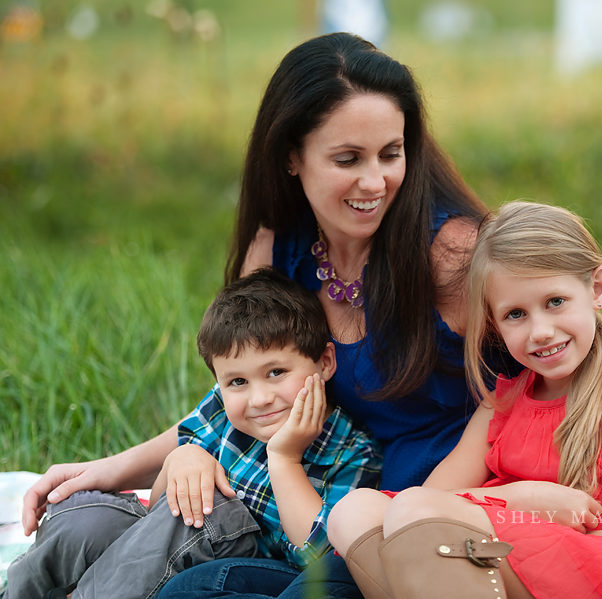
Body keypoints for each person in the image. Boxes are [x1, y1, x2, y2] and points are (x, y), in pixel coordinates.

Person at [22, 32, 489, 599]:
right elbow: (240, 396)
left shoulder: (450, 255)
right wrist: (122, 467)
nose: (376, 181)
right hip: (300, 505)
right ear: (292, 156)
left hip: (418, 509)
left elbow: (514, 399)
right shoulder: (276, 252)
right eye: (348, 158)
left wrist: (417, 518)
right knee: (114, 534)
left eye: (391, 154)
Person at [327, 201, 602, 599]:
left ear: (598, 288)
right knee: (355, 512)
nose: (541, 330)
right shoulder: (504, 403)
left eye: (555, 302)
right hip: (535, 565)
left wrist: (585, 544)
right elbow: (427, 500)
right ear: (494, 322)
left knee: (417, 514)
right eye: (516, 314)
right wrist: (522, 499)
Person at [4, 268, 381, 599]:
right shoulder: (224, 410)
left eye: (276, 372)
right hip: (176, 547)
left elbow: (318, 559)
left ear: (325, 362)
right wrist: (181, 458)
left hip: (251, 573)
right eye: (237, 381)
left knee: (206, 511)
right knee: (84, 519)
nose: (260, 398)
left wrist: (285, 459)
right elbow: (157, 507)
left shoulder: (352, 453)